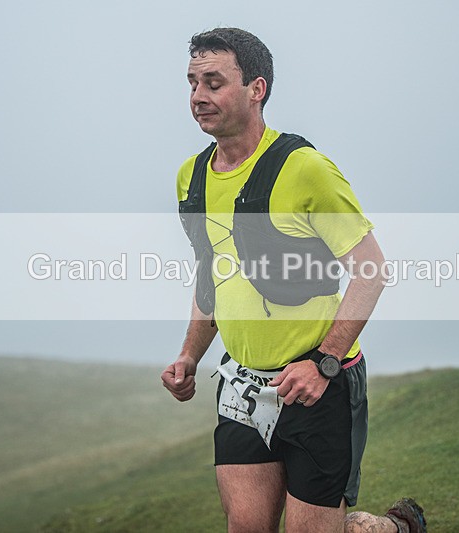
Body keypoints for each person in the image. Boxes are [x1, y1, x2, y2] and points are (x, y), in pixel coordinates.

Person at [161, 27, 427, 533]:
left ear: (256, 88)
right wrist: (189, 356)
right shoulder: (191, 177)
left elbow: (370, 270)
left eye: (213, 82)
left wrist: (323, 363)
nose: (198, 97)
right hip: (242, 384)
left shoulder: (304, 170)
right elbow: (211, 275)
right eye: (192, 82)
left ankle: (394, 528)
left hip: (316, 386)